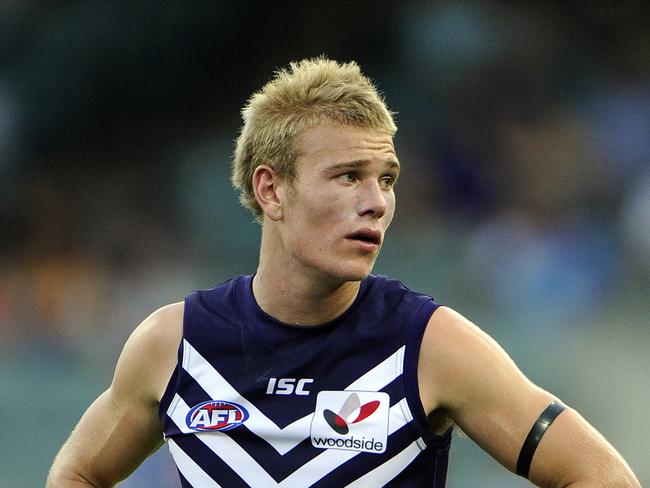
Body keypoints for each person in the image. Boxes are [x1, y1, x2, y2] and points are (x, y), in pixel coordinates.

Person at [47, 57, 640, 488]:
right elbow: (76, 473)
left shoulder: (432, 344)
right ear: (271, 189)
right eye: (348, 175)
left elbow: (601, 477)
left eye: (387, 178)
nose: (377, 201)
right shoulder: (172, 344)